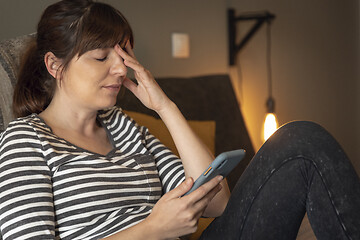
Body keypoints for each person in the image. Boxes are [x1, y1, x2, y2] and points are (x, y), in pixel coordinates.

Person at [0, 0, 359, 239]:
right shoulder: (26, 140)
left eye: (123, 53)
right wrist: (152, 228)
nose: (119, 66)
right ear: (54, 65)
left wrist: (165, 107)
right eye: (100, 57)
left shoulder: (124, 127)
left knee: (300, 140)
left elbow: (217, 203)